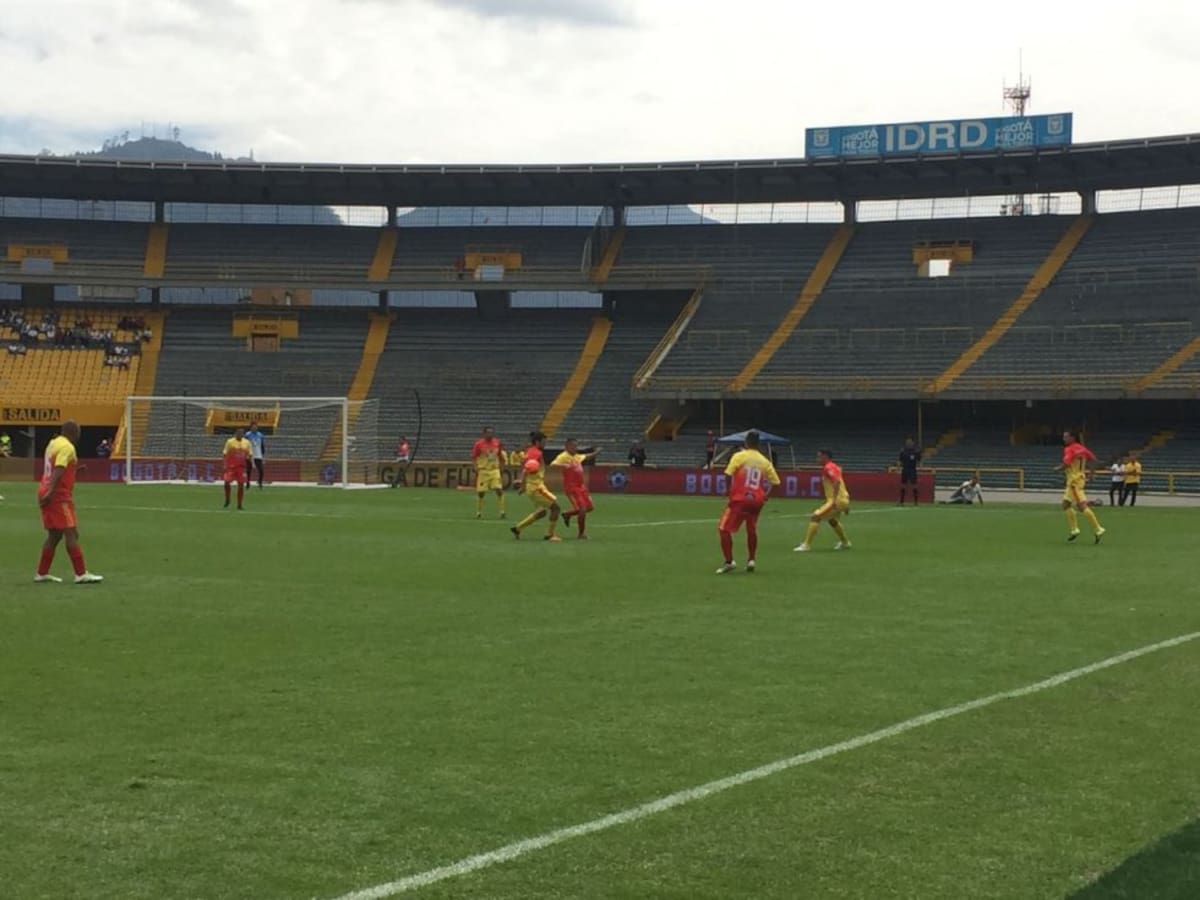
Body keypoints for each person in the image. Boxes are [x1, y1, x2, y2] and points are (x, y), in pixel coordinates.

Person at [35, 420, 103, 584]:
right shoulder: (67, 447)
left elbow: (58, 469)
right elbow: (59, 468)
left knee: (55, 534)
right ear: (74, 432)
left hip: (45, 488)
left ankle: (41, 573)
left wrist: (74, 471)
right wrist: (51, 491)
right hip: (58, 495)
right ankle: (80, 574)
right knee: (71, 533)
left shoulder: (53, 443)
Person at [716, 430, 781, 574]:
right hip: (757, 500)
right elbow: (776, 483)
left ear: (746, 442)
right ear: (758, 444)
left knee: (723, 529)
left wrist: (728, 490)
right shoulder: (764, 461)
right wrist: (765, 496)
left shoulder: (739, 456)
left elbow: (728, 474)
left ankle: (729, 561)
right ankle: (751, 560)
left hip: (740, 499)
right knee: (751, 529)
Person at [794, 449, 852, 552]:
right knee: (832, 520)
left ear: (825, 457)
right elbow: (841, 484)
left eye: (819, 457)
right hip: (843, 499)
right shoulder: (835, 467)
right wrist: (845, 504)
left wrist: (834, 500)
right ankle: (845, 542)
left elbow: (837, 482)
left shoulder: (828, 467)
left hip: (836, 500)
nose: (817, 459)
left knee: (815, 517)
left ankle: (806, 545)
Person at [510, 430, 561, 541]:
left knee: (541, 512)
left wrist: (523, 484)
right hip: (537, 488)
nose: (545, 444)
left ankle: (518, 528)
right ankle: (550, 535)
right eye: (543, 442)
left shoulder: (531, 451)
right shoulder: (535, 453)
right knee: (556, 508)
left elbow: (526, 468)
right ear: (537, 442)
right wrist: (522, 484)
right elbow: (527, 470)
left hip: (533, 486)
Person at [1058, 430, 1105, 543]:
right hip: (1078, 479)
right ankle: (1075, 530)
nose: (1064, 439)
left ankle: (1098, 528)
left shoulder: (1069, 449)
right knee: (1066, 504)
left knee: (1081, 506)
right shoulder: (1082, 448)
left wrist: (1058, 469)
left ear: (1072, 438)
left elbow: (1067, 463)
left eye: (1066, 437)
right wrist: (1092, 474)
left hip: (1074, 481)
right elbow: (1093, 459)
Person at [553, 438, 600, 540]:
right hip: (572, 487)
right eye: (574, 446)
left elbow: (586, 456)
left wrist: (596, 452)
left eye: (576, 446)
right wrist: (564, 465)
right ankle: (581, 534)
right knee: (582, 510)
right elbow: (553, 465)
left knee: (590, 508)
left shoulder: (576, 456)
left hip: (581, 486)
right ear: (567, 446)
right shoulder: (563, 456)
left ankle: (567, 514)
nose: (576, 448)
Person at [471, 426, 507, 519]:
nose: (490, 434)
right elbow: (474, 457)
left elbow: (500, 455)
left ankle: (502, 512)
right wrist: (475, 467)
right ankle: (479, 512)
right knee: (481, 492)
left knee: (499, 490)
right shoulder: (479, 444)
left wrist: (502, 466)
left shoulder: (497, 443)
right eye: (488, 432)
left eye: (491, 432)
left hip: (494, 470)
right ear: (484, 434)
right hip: (483, 470)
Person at [222, 427, 253, 510]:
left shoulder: (247, 442)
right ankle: (227, 499)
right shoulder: (230, 442)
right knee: (226, 483)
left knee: (241, 485)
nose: (240, 434)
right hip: (231, 467)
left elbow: (250, 453)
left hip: (241, 467)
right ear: (235, 433)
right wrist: (225, 464)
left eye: (242, 433)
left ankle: (239, 504)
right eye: (239, 433)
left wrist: (248, 458)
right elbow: (225, 453)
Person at [898, 437, 921, 505]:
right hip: (905, 469)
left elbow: (919, 460)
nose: (908, 443)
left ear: (913, 443)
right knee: (903, 485)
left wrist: (919, 454)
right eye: (907, 442)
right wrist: (898, 466)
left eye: (910, 442)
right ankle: (901, 501)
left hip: (912, 470)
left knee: (914, 485)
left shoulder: (915, 451)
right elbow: (900, 460)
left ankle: (916, 501)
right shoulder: (903, 451)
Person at [244, 421, 266, 489]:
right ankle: (247, 483)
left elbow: (262, 445)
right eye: (253, 427)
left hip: (258, 455)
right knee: (248, 470)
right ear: (250, 427)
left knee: (261, 470)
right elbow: (245, 445)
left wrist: (263, 455)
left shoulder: (260, 435)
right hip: (250, 455)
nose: (254, 428)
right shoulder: (247, 435)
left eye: (256, 427)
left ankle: (260, 483)